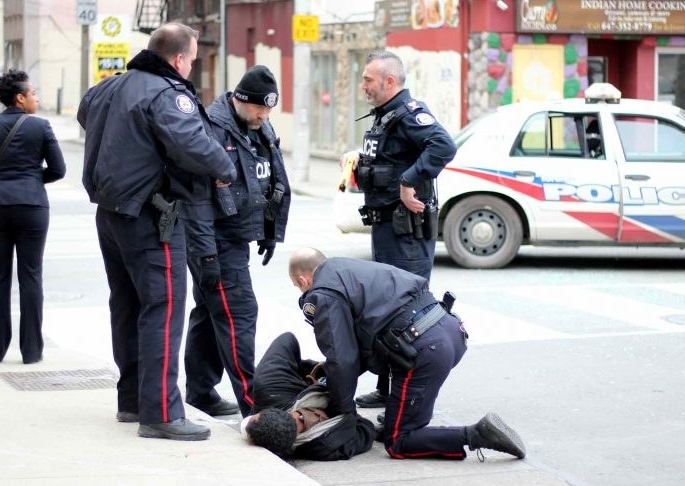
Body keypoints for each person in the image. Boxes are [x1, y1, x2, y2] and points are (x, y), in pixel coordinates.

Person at [76, 23, 236, 441]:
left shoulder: (108, 87)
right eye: (193, 60)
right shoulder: (168, 93)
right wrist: (225, 167)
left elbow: (84, 114)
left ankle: (132, 401)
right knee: (162, 311)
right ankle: (161, 412)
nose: (192, 67)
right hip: (153, 218)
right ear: (179, 59)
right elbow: (191, 142)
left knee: (127, 307)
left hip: (111, 214)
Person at [288, 247, 526, 461]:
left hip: (423, 350)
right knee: (394, 424)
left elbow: (343, 358)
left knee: (399, 442)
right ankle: (402, 422)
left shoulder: (322, 293)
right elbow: (356, 348)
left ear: (303, 280)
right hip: (450, 331)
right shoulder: (347, 268)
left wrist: (344, 412)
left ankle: (478, 434)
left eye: (298, 286)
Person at [182, 65, 291, 417]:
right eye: (259, 107)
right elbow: (195, 199)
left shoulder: (258, 124)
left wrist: (268, 230)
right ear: (240, 100)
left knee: (209, 312)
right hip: (214, 239)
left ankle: (200, 392)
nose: (265, 114)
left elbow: (268, 177)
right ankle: (254, 406)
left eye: (269, 108)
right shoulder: (209, 128)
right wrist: (207, 255)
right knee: (239, 312)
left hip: (236, 236)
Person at [353, 50, 457, 409]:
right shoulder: (386, 116)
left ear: (389, 82)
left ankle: (406, 394)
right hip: (386, 227)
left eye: (368, 79)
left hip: (405, 231)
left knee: (408, 311)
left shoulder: (410, 113)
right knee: (387, 308)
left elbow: (444, 145)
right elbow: (390, 157)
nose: (363, 85)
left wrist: (409, 181)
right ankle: (387, 387)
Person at [0, 69, 66, 365]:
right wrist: (31, 181)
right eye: (33, 93)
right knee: (31, 277)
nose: (36, 97)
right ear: (20, 98)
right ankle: (31, 352)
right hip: (32, 207)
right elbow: (59, 170)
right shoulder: (41, 127)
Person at [241, 332, 375, 460]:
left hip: (325, 395)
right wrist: (343, 407)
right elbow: (367, 429)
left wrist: (312, 370)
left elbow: (367, 431)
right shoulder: (271, 390)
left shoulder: (324, 449)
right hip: (340, 401)